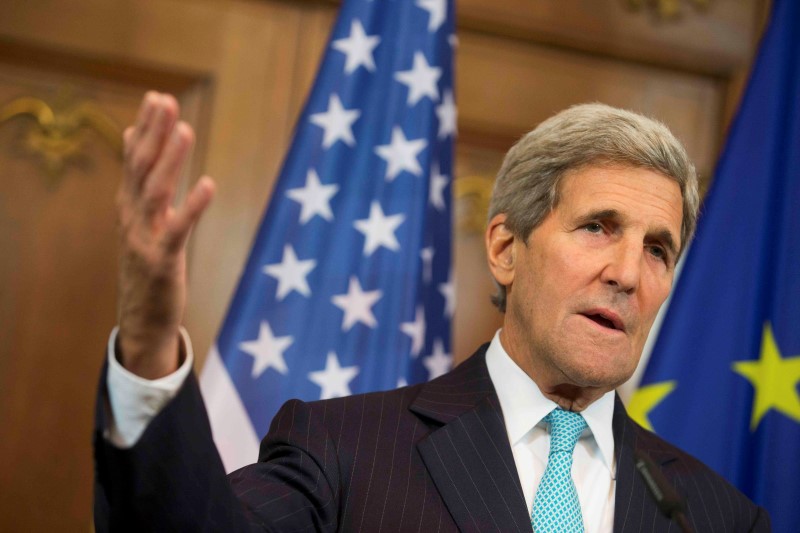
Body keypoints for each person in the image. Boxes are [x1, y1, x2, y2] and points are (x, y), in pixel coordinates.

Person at [94, 92, 770, 532]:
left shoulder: (714, 515)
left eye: (658, 248)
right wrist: (151, 347)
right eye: (598, 226)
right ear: (506, 247)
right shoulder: (342, 450)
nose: (627, 272)